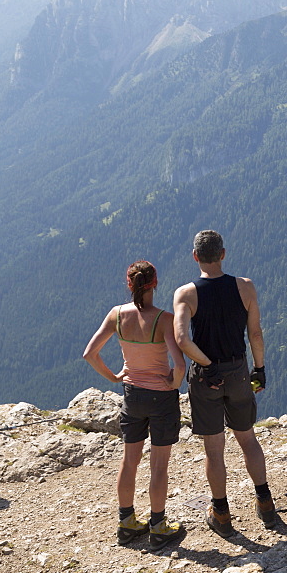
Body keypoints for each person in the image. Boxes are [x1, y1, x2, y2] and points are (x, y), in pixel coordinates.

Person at [172, 230, 274, 537]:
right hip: (239, 371)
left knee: (214, 449)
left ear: (195, 256)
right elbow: (255, 333)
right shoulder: (245, 287)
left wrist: (205, 365)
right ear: (223, 254)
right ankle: (265, 503)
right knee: (247, 438)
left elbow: (181, 339)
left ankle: (221, 512)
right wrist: (259, 369)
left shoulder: (186, 293)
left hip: (207, 379)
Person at [83, 260, 185, 551]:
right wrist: (172, 384)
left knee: (129, 461)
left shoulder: (117, 315)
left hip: (132, 395)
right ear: (154, 283)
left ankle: (126, 524)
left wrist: (115, 377)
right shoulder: (164, 319)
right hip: (161, 398)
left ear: (129, 284)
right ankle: (158, 526)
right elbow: (178, 366)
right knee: (159, 466)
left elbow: (90, 353)